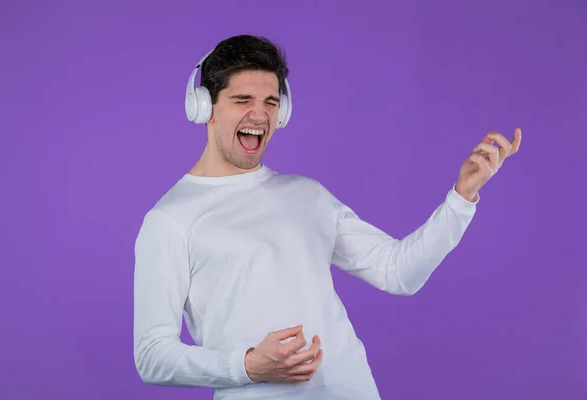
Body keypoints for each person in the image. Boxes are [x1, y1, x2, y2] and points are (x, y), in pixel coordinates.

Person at [132, 35, 522, 399]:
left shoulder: (308, 195)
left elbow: (398, 271)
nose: (259, 114)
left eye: (271, 102)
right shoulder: (170, 219)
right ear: (204, 107)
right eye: (242, 99)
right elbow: (152, 355)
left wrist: (462, 196)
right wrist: (246, 366)